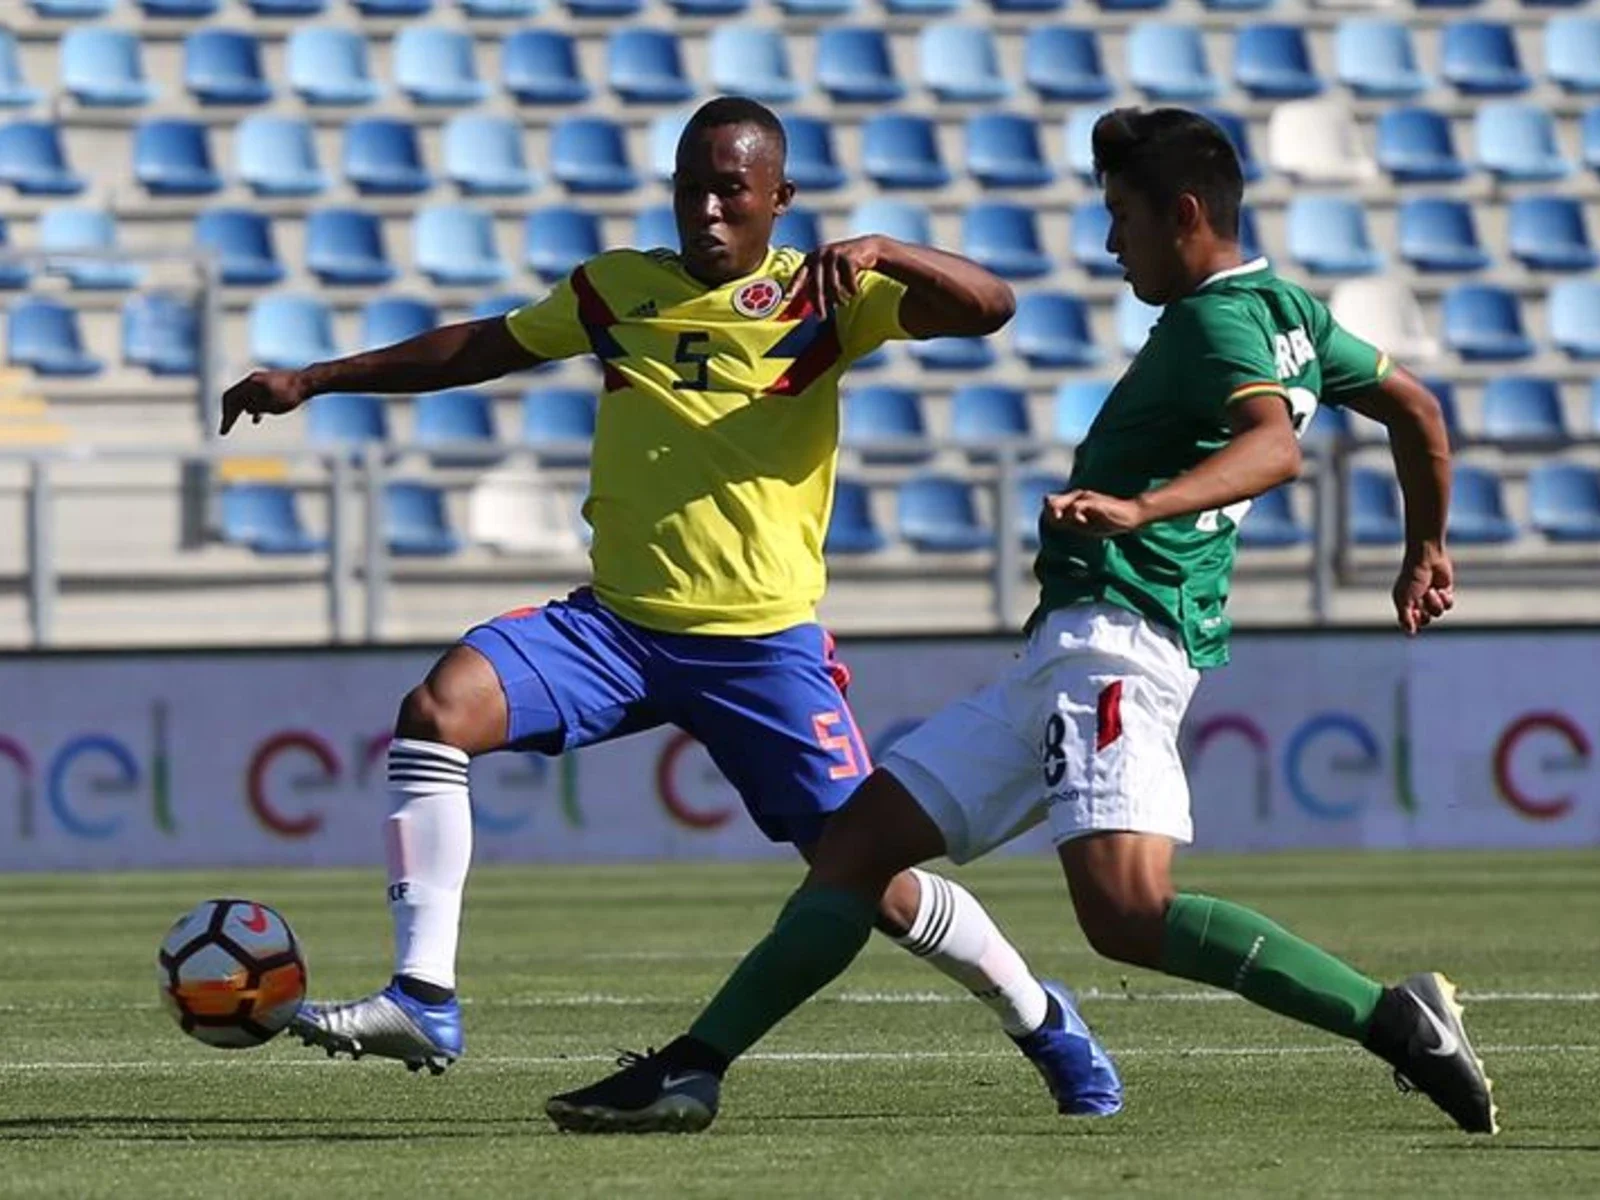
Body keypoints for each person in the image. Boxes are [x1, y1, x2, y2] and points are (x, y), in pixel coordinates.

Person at [545, 106, 1498, 1138]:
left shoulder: (1214, 324)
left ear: (1183, 215)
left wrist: (1140, 507)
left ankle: (1390, 1020)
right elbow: (1417, 410)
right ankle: (692, 1070)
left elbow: (1271, 446)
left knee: (1127, 913)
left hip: (1119, 639)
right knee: (856, 850)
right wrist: (1425, 546)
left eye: (1121, 217)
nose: (1107, 241)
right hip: (1068, 648)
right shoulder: (1291, 312)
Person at [218, 95, 1121, 1116]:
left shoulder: (825, 297)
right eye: (690, 187)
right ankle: (424, 993)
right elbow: (482, 348)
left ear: (778, 199)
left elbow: (990, 305)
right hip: (616, 629)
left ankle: (1042, 1022)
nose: (706, 210)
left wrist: (883, 250)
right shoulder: (617, 289)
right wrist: (317, 380)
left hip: (759, 647)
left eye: (730, 190)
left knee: (867, 878)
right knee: (437, 712)